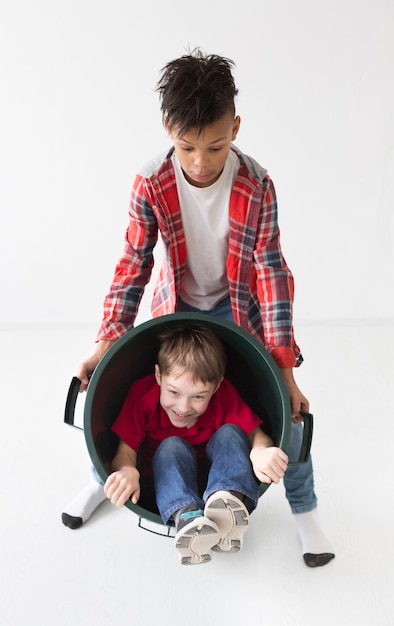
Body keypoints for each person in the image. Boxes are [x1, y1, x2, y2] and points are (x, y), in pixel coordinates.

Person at [62, 48, 334, 568]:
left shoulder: (257, 183)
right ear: (168, 128)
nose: (201, 163)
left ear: (235, 125)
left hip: (238, 311)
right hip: (177, 306)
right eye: (187, 147)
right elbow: (132, 265)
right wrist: (104, 342)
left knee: (291, 413)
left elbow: (273, 273)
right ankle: (105, 480)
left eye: (215, 145)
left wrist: (286, 370)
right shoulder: (151, 182)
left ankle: (305, 511)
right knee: (114, 392)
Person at [103, 326, 288, 565]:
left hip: (219, 475)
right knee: (171, 446)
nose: (183, 407)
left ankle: (228, 501)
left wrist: (260, 451)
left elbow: (257, 435)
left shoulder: (224, 397)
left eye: (199, 396)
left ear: (218, 385)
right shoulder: (143, 396)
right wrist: (128, 470)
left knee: (232, 433)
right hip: (171, 483)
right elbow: (124, 453)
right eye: (173, 392)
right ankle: (188, 517)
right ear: (158, 376)